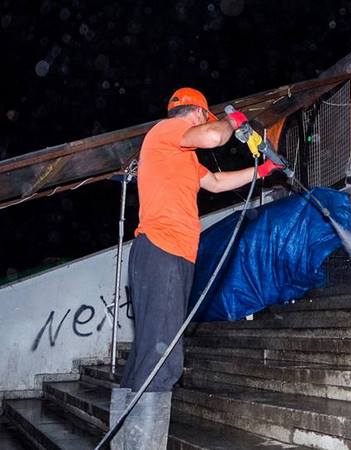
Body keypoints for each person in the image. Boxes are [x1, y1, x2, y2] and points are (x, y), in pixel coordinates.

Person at [110, 87, 283, 449]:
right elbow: (214, 136)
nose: (207, 122)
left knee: (147, 354)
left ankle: (125, 443)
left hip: (169, 255)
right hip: (163, 249)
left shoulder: (182, 155)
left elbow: (216, 182)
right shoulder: (168, 130)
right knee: (163, 356)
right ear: (198, 113)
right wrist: (234, 121)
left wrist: (263, 170)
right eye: (206, 116)